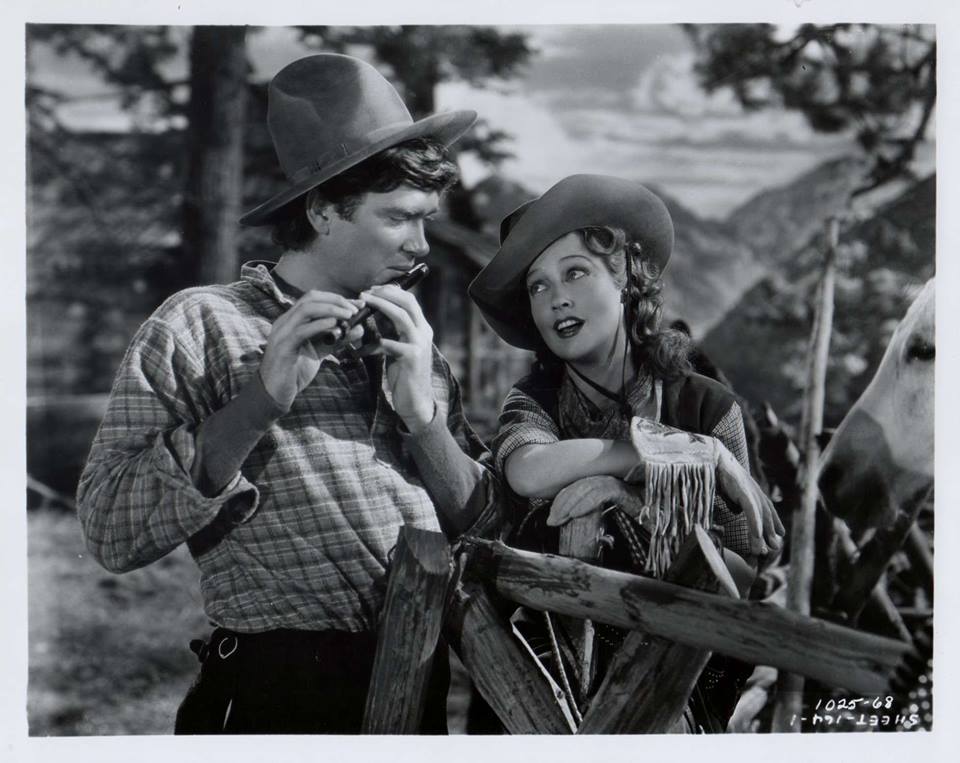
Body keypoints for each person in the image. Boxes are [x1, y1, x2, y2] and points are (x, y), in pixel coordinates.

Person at [76, 54, 500, 734]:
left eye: (427, 219)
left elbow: (486, 532)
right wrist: (256, 404)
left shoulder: (411, 339)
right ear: (325, 210)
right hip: (276, 694)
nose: (422, 245)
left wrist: (424, 418)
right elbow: (109, 530)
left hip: (417, 690)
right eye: (399, 218)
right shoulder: (200, 324)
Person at [468, 174, 784, 731]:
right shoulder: (534, 400)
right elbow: (527, 470)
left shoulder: (709, 409)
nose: (556, 297)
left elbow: (743, 576)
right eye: (537, 287)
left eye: (575, 273)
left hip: (681, 688)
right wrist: (666, 453)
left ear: (627, 281)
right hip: (541, 693)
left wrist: (628, 498)